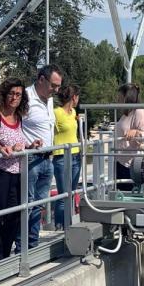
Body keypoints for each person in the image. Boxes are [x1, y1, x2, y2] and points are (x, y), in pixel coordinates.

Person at [0, 78, 36, 262]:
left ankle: (6, 257)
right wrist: (2, 150)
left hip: (18, 175)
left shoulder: (19, 118)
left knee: (14, 218)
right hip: (0, 173)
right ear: (4, 94)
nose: (14, 98)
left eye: (18, 94)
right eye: (12, 93)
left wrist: (30, 146)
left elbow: (18, 145)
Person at [20, 64, 63, 249]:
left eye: (58, 86)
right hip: (31, 159)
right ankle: (22, 247)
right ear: (41, 79)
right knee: (27, 205)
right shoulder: (25, 98)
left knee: (39, 204)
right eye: (53, 85)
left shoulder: (49, 100)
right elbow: (13, 125)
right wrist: (26, 146)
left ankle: (32, 243)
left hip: (48, 159)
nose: (56, 90)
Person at [52, 84, 81, 228]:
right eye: (77, 97)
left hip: (76, 156)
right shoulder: (56, 112)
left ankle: (68, 226)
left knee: (72, 193)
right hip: (61, 156)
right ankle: (60, 227)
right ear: (74, 97)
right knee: (63, 195)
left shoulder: (73, 112)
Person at [113, 83, 144, 191]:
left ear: (127, 97)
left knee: (130, 195)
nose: (118, 100)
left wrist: (136, 132)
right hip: (121, 162)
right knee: (120, 196)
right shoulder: (126, 114)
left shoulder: (139, 112)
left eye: (120, 97)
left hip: (131, 164)